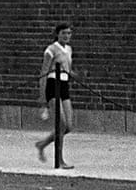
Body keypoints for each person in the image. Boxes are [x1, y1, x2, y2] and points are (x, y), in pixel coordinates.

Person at [33, 23, 80, 167]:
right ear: (57, 34)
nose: (66, 36)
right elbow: (44, 72)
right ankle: (59, 159)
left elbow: (67, 69)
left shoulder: (69, 49)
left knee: (68, 126)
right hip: (53, 85)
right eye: (63, 33)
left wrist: (76, 75)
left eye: (69, 33)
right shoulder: (51, 50)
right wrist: (42, 97)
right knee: (61, 123)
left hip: (64, 85)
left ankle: (42, 144)